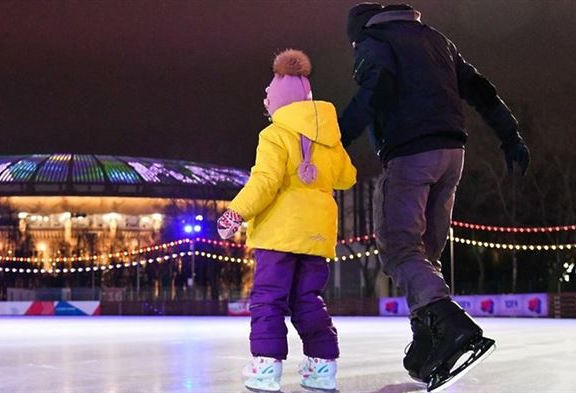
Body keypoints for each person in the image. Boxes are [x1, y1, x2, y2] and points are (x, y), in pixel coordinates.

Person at [340, 3, 530, 391]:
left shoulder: (374, 41)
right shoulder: (438, 40)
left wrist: (337, 136)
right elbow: (481, 89)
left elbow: (377, 88)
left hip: (411, 152)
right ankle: (427, 342)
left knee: (399, 247)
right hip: (451, 155)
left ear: (358, 32)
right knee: (425, 253)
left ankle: (450, 323)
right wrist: (510, 135)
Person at [217, 49, 356, 392]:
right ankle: (322, 368)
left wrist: (236, 212)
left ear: (279, 101)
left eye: (268, 96)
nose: (265, 101)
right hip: (315, 236)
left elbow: (265, 181)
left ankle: (265, 368)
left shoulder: (274, 135)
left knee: (269, 299)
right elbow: (347, 177)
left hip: (279, 235)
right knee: (308, 299)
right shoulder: (330, 138)